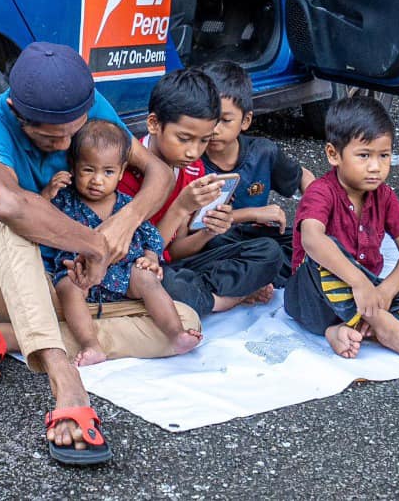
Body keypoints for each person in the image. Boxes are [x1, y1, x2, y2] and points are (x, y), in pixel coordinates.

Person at [0, 42, 196, 467]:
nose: (67, 142)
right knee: (12, 215)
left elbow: (160, 173)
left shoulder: (90, 107)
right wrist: (94, 243)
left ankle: (3, 336)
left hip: (55, 285)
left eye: (74, 130)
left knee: (183, 322)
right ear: (17, 110)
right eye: (52, 136)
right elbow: (9, 204)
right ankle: (66, 379)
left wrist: (120, 227)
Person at [284, 93, 399, 361]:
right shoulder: (321, 192)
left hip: (366, 296)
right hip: (313, 298)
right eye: (364, 155)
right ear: (333, 154)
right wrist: (359, 282)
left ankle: (351, 328)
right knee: (325, 249)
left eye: (384, 155)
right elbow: (312, 239)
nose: (376, 167)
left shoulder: (384, 196)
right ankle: (382, 326)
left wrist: (386, 290)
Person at [116, 68, 284, 318]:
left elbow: (175, 251)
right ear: (154, 124)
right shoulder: (122, 173)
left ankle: (203, 297)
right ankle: (225, 299)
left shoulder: (192, 170)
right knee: (165, 282)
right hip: (139, 270)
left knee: (269, 252)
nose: (193, 152)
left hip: (176, 267)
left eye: (203, 141)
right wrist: (180, 208)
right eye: (184, 139)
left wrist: (207, 231)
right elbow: (139, 257)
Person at [42, 119, 201, 365]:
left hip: (123, 273)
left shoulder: (127, 204)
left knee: (147, 278)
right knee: (68, 289)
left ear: (121, 171)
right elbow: (40, 220)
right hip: (78, 272)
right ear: (73, 166)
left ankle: (175, 333)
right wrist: (46, 194)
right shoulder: (65, 200)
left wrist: (150, 257)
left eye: (108, 172)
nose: (97, 180)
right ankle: (92, 346)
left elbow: (150, 235)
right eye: (88, 170)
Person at [200, 60, 316, 285]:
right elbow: (193, 228)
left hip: (259, 240)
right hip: (214, 241)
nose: (214, 129)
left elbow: (304, 176)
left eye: (225, 120)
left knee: (308, 244)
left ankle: (257, 280)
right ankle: (253, 282)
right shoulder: (191, 161)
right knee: (230, 249)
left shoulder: (263, 152)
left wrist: (313, 218)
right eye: (208, 118)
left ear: (246, 120)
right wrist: (251, 214)